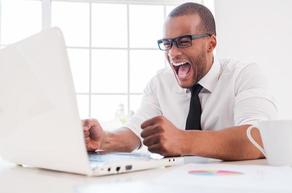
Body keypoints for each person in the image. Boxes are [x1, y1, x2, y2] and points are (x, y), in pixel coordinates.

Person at [82, 2, 277, 161]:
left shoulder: (244, 75)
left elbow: (260, 138)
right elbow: (136, 132)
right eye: (167, 43)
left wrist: (182, 140)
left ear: (211, 43)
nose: (173, 53)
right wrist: (103, 139)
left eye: (184, 41)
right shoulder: (159, 84)